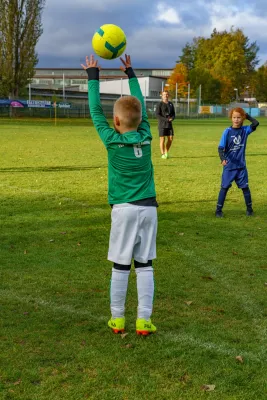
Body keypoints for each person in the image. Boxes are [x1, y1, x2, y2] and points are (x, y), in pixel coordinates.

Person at [82, 54, 158, 335]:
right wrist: (131, 73)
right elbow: (144, 109)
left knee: (121, 265)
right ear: (140, 119)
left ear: (115, 120)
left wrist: (93, 76)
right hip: (149, 208)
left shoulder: (111, 139)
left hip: (124, 209)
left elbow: (94, 112)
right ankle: (144, 320)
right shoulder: (148, 135)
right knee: (145, 264)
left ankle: (117, 319)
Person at [215, 107, 259, 218]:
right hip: (229, 166)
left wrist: (247, 115)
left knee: (245, 188)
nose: (236, 120)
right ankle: (218, 210)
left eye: (239, 117)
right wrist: (222, 159)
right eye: (234, 117)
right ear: (231, 118)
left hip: (241, 167)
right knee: (224, 188)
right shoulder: (227, 131)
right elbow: (220, 148)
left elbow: (256, 123)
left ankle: (249, 209)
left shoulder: (245, 130)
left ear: (242, 118)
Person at [155, 90, 175, 159]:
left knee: (170, 139)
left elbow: (173, 114)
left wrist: (172, 118)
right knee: (162, 139)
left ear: (168, 95)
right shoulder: (159, 104)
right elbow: (157, 115)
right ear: (162, 96)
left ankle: (166, 152)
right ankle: (162, 154)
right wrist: (166, 119)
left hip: (169, 124)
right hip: (162, 124)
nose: (166, 95)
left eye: (167, 94)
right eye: (164, 94)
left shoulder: (171, 104)